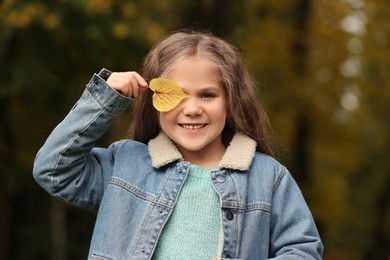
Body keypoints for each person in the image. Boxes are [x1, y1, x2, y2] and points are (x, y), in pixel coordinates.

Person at [33, 31, 323, 260]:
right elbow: (54, 170)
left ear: (231, 101)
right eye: (178, 95)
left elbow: (303, 250)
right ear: (155, 101)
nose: (192, 108)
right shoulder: (126, 164)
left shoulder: (267, 178)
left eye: (207, 95)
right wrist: (104, 100)